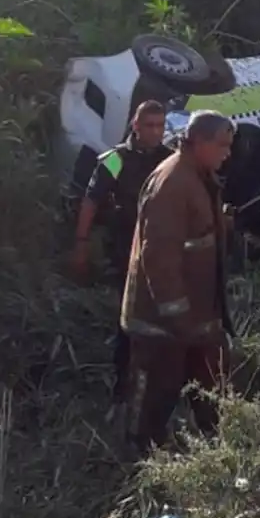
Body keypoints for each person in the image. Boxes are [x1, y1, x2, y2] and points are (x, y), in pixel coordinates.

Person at [121, 109, 234, 454]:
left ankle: (211, 450)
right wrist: (178, 316)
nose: (227, 154)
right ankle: (141, 456)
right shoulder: (173, 183)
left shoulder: (197, 175)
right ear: (198, 142)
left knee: (208, 385)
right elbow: (159, 257)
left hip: (195, 316)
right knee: (157, 389)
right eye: (223, 146)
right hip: (163, 320)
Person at [73, 101, 172, 411]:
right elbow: (91, 201)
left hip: (161, 246)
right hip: (125, 246)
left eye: (160, 125)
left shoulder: (168, 159)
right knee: (127, 317)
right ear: (135, 126)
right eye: (149, 125)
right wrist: (81, 243)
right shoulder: (116, 160)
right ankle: (122, 385)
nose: (155, 132)